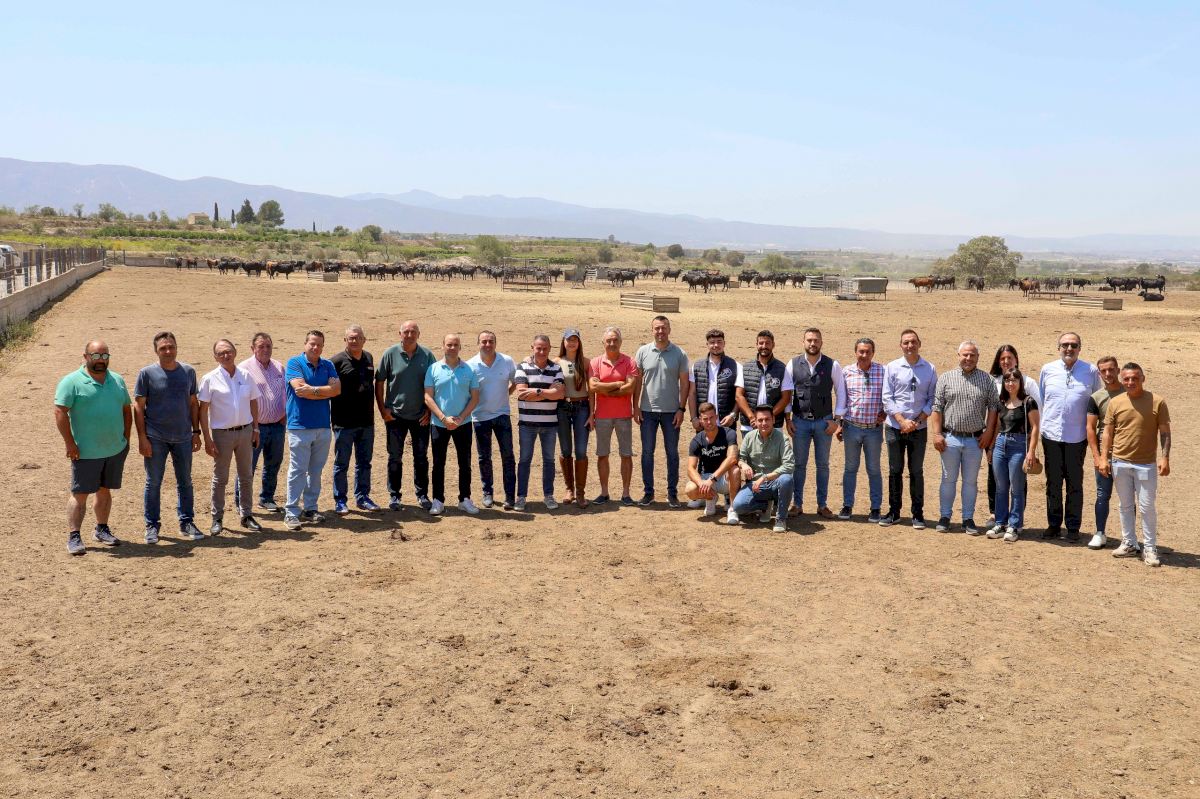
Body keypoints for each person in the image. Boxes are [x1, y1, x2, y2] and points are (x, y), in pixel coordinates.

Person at [54, 340, 132, 555]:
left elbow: (127, 409)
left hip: (114, 449)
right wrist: (69, 443)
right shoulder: (71, 381)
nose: (101, 360)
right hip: (85, 451)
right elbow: (60, 411)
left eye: (105, 356)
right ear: (86, 356)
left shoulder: (117, 380)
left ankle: (102, 529)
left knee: (105, 490)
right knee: (80, 493)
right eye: (96, 355)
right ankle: (74, 536)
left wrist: (125, 438)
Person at [134, 332, 203, 542]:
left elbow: (193, 403)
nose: (168, 351)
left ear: (176, 348)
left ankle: (186, 522)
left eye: (171, 347)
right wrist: (142, 438)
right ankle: (152, 525)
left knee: (185, 481)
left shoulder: (188, 372)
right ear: (156, 351)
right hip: (155, 437)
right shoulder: (146, 373)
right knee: (153, 482)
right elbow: (139, 407)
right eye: (163, 348)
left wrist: (196, 432)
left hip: (183, 436)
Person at [1100, 363, 1170, 567]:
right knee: (1125, 505)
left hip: (1145, 464)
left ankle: (1150, 547)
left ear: (1143, 379)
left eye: (1135, 378)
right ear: (1122, 380)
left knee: (1147, 507)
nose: (1130, 382)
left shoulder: (1157, 402)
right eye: (1127, 379)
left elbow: (1165, 432)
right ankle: (1129, 543)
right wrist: (1104, 458)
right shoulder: (1116, 402)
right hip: (1120, 462)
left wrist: (1165, 458)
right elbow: (1108, 432)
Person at [929, 340, 1000, 534]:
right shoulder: (946, 378)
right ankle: (945, 517)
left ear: (978, 357)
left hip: (975, 440)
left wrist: (988, 432)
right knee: (948, 479)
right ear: (958, 355)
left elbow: (993, 408)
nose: (968, 358)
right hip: (950, 438)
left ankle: (968, 518)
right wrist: (937, 434)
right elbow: (937, 407)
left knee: (970, 481)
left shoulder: (987, 380)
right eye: (965, 355)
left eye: (972, 355)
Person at [1038, 332, 1101, 542]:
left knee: (1075, 483)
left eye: (1074, 345)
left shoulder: (1090, 371)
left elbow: (1096, 402)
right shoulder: (1048, 369)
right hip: (1051, 435)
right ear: (1059, 348)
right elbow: (1042, 400)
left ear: (1080, 348)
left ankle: (1073, 527)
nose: (1069, 349)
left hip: (1077, 436)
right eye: (1065, 345)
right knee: (1053, 482)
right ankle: (1054, 525)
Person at [198, 338, 262, 535]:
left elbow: (253, 402)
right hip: (222, 435)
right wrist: (207, 438)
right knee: (220, 477)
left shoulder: (246, 375)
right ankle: (217, 517)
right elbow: (202, 410)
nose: (226, 355)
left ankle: (247, 515)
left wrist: (256, 429)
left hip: (245, 432)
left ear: (235, 352)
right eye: (221, 353)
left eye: (228, 351)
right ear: (215, 357)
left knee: (246, 475)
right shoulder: (209, 379)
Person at [784, 328, 845, 519]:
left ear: (821, 343)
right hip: (799, 422)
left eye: (816, 340)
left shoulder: (832, 364)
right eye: (809, 340)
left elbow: (841, 392)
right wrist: (788, 419)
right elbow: (787, 393)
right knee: (798, 465)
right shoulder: (792, 364)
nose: (813, 343)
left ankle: (822, 505)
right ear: (803, 342)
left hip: (824, 423)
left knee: (823, 465)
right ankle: (797, 504)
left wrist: (837, 420)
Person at [375, 321, 435, 512]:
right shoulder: (390, 354)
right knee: (395, 457)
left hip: (421, 416)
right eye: (406, 332)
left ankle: (422, 495)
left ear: (419, 334)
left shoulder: (427, 355)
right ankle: (394, 495)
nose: (409, 335)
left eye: (413, 332)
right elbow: (379, 382)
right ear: (399, 333)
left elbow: (434, 384)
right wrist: (383, 410)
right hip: (395, 416)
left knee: (421, 457)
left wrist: (429, 411)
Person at [283, 330, 340, 530]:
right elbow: (300, 390)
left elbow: (337, 390)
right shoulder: (294, 363)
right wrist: (325, 391)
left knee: (315, 471)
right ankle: (291, 512)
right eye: (312, 344)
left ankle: (310, 508)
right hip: (300, 426)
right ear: (305, 344)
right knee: (298, 470)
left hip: (322, 426)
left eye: (319, 345)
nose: (315, 348)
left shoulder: (328, 364)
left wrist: (313, 390)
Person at [880, 329, 936, 528]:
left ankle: (918, 514)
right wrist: (902, 420)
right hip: (895, 427)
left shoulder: (929, 368)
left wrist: (917, 421)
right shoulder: (892, 367)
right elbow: (887, 397)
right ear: (900, 345)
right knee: (895, 470)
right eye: (906, 342)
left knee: (916, 471)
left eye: (913, 342)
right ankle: (894, 512)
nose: (910, 345)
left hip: (919, 429)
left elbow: (932, 398)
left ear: (919, 344)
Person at [634, 315, 690, 507]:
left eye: (664, 328)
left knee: (672, 453)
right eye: (657, 328)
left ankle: (672, 494)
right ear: (652, 330)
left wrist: (681, 409)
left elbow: (685, 384)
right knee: (647, 453)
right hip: (647, 411)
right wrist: (635, 406)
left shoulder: (680, 354)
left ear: (669, 330)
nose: (660, 331)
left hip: (671, 412)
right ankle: (648, 493)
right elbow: (637, 382)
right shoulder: (642, 352)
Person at [424, 333, 481, 515]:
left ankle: (464, 499)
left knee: (465, 463)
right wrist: (443, 418)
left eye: (456, 345)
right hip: (439, 424)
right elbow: (428, 397)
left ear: (460, 347)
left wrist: (461, 418)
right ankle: (438, 500)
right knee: (438, 463)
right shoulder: (433, 369)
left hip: (463, 424)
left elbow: (475, 398)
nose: (452, 348)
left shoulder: (468, 370)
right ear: (443, 346)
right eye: (449, 344)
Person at [985, 345, 1041, 525]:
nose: (1006, 361)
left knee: (1017, 481)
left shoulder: (1028, 383)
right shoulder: (992, 381)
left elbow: (1037, 415)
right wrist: (990, 443)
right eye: (1002, 358)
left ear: (1016, 360)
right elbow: (994, 416)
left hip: (1020, 438)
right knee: (996, 478)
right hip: (997, 436)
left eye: (1010, 358)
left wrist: (1031, 446)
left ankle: (1016, 520)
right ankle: (996, 515)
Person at [330, 325, 379, 515]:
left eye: (358, 337)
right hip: (343, 423)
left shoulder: (369, 358)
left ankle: (363, 497)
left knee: (364, 462)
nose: (355, 340)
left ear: (364, 340)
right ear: (345, 340)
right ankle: (340, 500)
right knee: (341, 463)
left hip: (366, 422)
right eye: (351, 338)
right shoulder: (335, 362)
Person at [514, 335, 567, 510]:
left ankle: (548, 496)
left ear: (550, 348)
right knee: (524, 460)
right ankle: (521, 497)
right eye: (538, 348)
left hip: (550, 424)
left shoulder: (556, 368)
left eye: (545, 348)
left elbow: (560, 394)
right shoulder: (522, 367)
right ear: (532, 347)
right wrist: (547, 392)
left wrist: (536, 392)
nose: (542, 352)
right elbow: (522, 393)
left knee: (549, 460)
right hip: (527, 424)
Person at [236, 332, 286, 513]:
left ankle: (267, 498)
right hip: (254, 427)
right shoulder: (243, 369)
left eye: (268, 346)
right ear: (253, 348)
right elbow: (240, 398)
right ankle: (241, 502)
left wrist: (285, 414)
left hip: (278, 425)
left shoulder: (279, 367)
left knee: (274, 463)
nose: (265, 350)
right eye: (261, 346)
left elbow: (285, 392)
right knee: (248, 466)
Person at [836, 338, 885, 522]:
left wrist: (886, 412)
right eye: (861, 351)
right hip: (851, 427)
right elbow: (842, 399)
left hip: (874, 429)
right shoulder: (846, 372)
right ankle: (847, 505)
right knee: (850, 468)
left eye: (868, 352)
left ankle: (875, 508)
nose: (864, 355)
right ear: (855, 352)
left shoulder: (883, 371)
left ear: (873, 353)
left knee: (874, 469)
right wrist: (839, 424)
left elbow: (889, 395)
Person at [468, 330, 518, 510]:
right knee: (484, 457)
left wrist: (506, 394)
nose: (487, 345)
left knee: (508, 456)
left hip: (502, 415)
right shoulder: (471, 365)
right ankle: (487, 493)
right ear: (478, 344)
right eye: (484, 341)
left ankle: (510, 496)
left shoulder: (507, 361)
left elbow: (517, 381)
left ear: (495, 343)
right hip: (480, 417)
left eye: (491, 341)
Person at [590, 326, 639, 505]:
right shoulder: (595, 362)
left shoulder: (630, 361)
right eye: (608, 340)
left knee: (626, 454)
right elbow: (593, 387)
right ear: (603, 342)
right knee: (602, 454)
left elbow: (630, 388)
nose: (612, 343)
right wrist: (618, 384)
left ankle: (626, 493)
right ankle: (604, 492)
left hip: (624, 416)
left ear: (621, 342)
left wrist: (604, 388)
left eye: (615, 340)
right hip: (602, 416)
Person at [731, 406, 795, 533]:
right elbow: (740, 458)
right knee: (738, 506)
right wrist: (743, 465)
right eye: (760, 420)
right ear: (755, 421)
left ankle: (781, 519)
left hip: (775, 483)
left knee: (787, 479)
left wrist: (765, 477)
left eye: (767, 419)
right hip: (755, 485)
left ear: (773, 419)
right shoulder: (749, 437)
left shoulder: (782, 439)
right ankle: (765, 506)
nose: (764, 423)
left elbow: (789, 465)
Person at [1085, 356, 1124, 550]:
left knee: (1127, 498)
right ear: (1099, 374)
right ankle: (1100, 532)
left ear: (1118, 370)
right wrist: (1097, 456)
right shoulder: (1096, 397)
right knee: (1102, 494)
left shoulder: (1129, 393)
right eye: (1103, 371)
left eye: (1111, 369)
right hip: (1105, 454)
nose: (1108, 374)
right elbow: (1090, 428)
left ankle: (1129, 537)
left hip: (1127, 453)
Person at [684, 402, 742, 524]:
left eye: (711, 417)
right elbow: (690, 468)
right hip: (706, 478)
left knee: (735, 470)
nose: (709, 422)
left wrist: (713, 478)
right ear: (700, 420)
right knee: (690, 489)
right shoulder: (696, 440)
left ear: (716, 417)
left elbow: (732, 458)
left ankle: (732, 508)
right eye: (705, 419)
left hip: (724, 478)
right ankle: (711, 497)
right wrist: (701, 484)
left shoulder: (729, 433)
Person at [557, 328, 594, 508]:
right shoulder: (556, 362)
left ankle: (580, 492)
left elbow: (592, 390)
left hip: (582, 408)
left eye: (575, 340)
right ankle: (569, 489)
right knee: (565, 449)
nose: (571, 343)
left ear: (579, 343)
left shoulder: (586, 362)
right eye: (568, 340)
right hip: (562, 408)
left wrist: (592, 413)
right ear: (563, 342)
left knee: (580, 450)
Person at [734, 330, 790, 435]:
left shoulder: (782, 368)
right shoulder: (746, 368)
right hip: (749, 425)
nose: (764, 346)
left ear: (773, 345)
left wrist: (769, 417)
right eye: (761, 343)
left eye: (767, 343)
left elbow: (786, 398)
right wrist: (752, 417)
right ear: (756, 344)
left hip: (774, 426)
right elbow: (739, 396)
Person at [688, 328, 742, 431]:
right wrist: (694, 418)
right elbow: (692, 394)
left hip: (726, 423)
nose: (716, 345)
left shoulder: (736, 366)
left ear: (724, 343)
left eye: (719, 342)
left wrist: (733, 415)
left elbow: (739, 395)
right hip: (703, 424)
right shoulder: (696, 367)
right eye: (712, 342)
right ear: (707, 344)